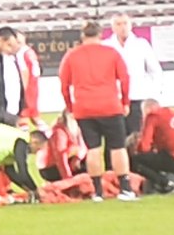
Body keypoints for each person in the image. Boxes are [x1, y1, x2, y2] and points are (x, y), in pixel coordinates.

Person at [59, 20, 137, 202]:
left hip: (84, 108)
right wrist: (125, 102)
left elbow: (64, 86)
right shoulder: (111, 53)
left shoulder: (71, 56)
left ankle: (97, 191)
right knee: (118, 147)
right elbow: (125, 79)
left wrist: (71, 107)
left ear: (82, 35)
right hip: (110, 105)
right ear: (100, 34)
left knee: (93, 148)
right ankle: (125, 189)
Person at [104, 13, 162, 139]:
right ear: (112, 27)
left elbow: (155, 70)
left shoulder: (141, 44)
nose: (122, 27)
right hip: (114, 100)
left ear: (130, 25)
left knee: (137, 137)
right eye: (118, 24)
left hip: (138, 98)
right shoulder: (106, 46)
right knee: (116, 139)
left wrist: (153, 94)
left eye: (125, 23)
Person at [129, 99, 174, 194]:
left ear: (147, 109)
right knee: (169, 153)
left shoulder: (153, 116)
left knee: (136, 160)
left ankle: (166, 184)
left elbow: (144, 147)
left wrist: (136, 149)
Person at [37, 111, 85, 182]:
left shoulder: (76, 129)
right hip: (49, 167)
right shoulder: (59, 131)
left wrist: (77, 158)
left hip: (67, 160)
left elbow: (83, 147)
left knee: (86, 160)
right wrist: (67, 177)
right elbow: (60, 156)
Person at [14, 31, 47, 130]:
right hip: (34, 88)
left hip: (27, 89)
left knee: (22, 118)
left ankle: (24, 142)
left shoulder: (20, 53)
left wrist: (22, 91)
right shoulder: (30, 51)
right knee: (34, 117)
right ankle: (48, 135)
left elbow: (24, 71)